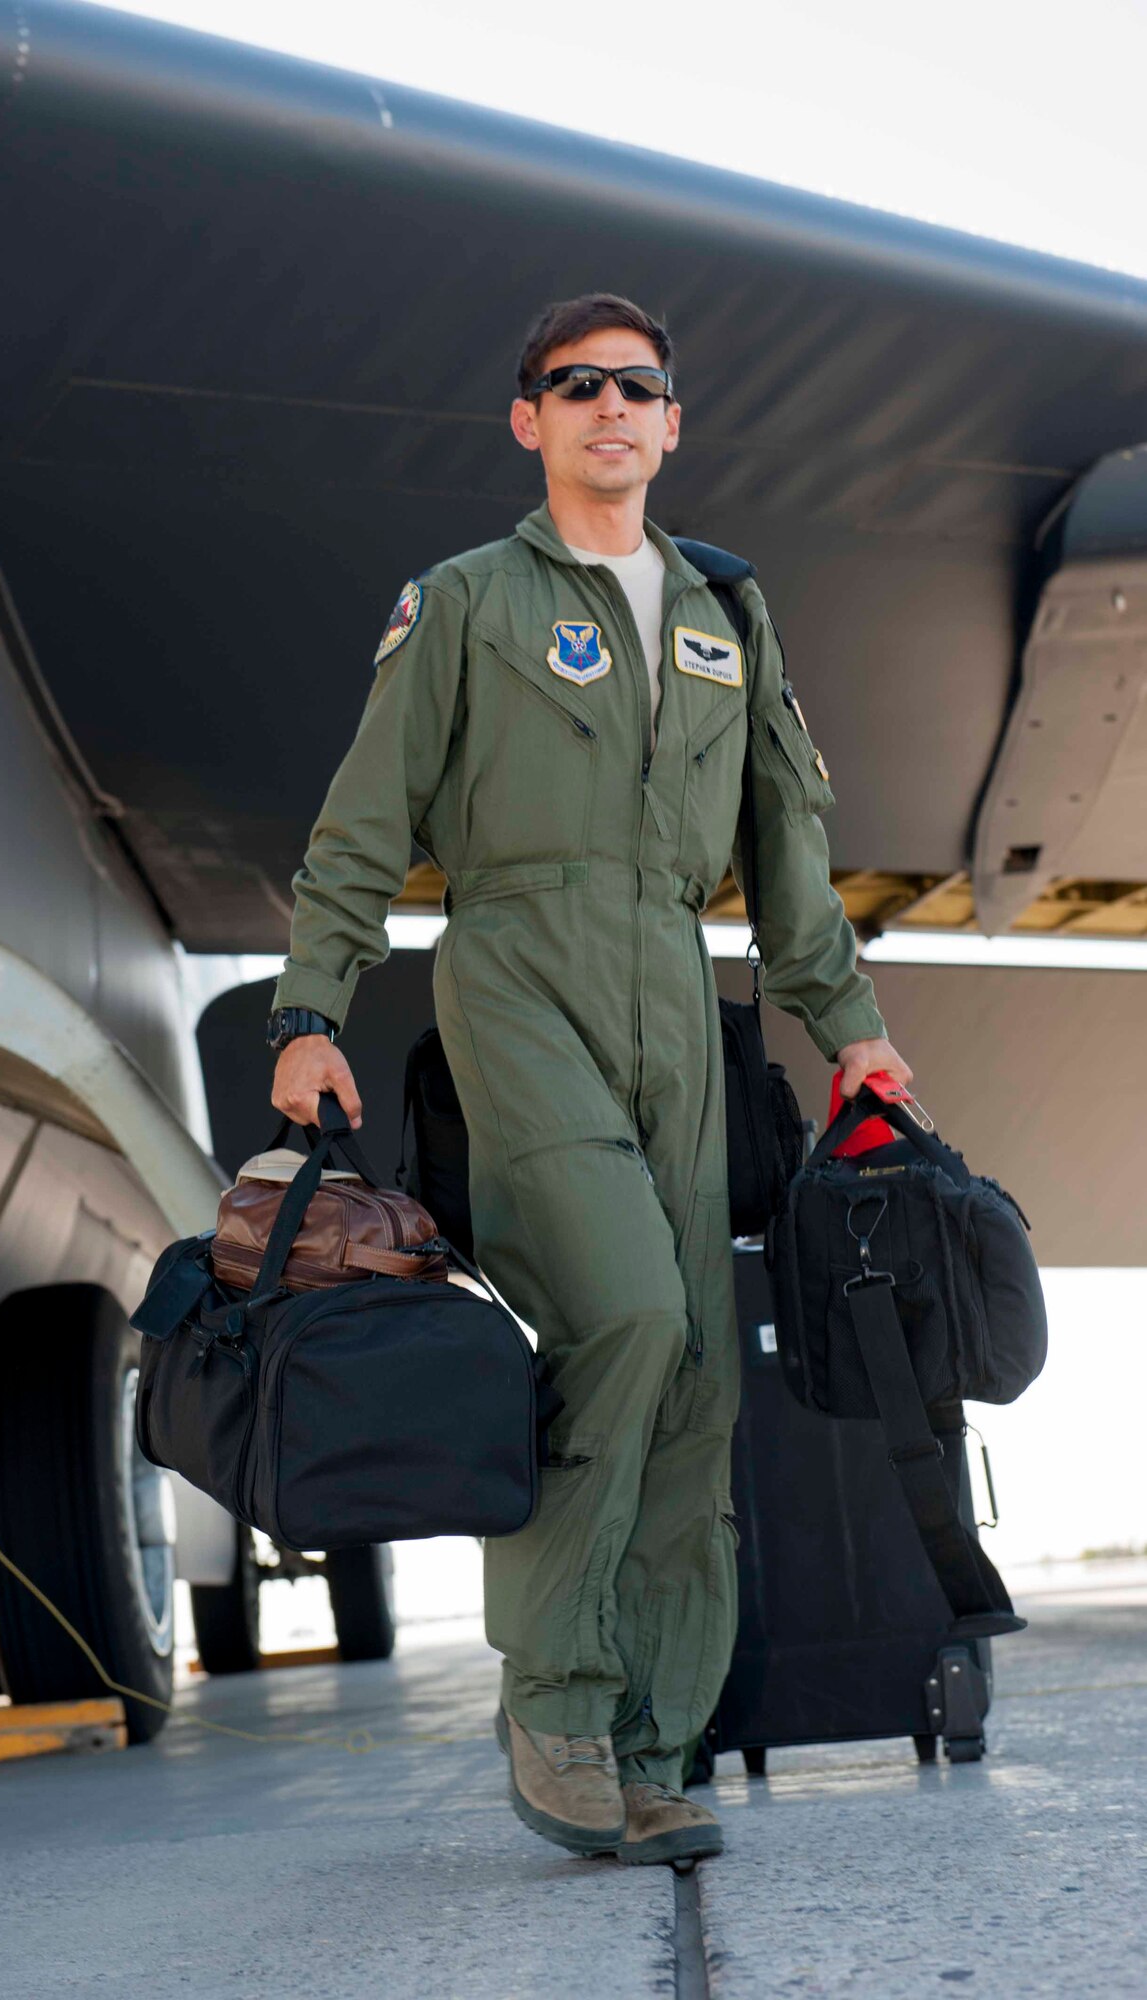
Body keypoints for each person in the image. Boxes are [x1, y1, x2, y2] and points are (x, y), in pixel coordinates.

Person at [268, 293, 911, 1868]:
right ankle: (554, 1705)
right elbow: (364, 822)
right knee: (619, 1312)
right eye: (578, 387)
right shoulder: (469, 603)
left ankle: (648, 1744)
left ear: (674, 423)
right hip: (519, 969)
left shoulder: (721, 615)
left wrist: (853, 1026)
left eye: (639, 388)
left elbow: (787, 851)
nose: (610, 408)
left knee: (693, 1367)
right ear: (530, 422)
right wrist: (308, 1005)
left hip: (676, 994)